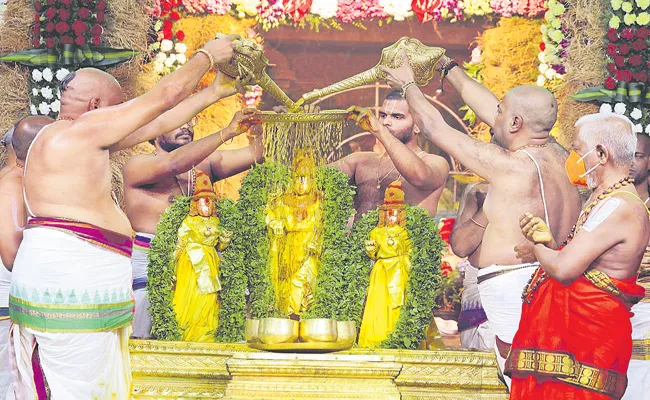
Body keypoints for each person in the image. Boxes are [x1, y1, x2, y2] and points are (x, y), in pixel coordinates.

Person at [8, 35, 238, 399]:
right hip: (71, 285)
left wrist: (214, 93)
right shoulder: (80, 132)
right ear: (97, 106)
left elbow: (155, 124)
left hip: (70, 282)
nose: (122, 117)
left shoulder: (67, 135)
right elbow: (162, 98)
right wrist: (208, 56)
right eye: (118, 109)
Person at [380, 52, 582, 386]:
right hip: (548, 281)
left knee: (526, 385)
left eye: (500, 114)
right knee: (544, 380)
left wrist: (408, 84)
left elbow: (433, 126)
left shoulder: (508, 164)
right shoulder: (559, 156)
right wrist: (448, 68)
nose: (493, 117)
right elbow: (497, 110)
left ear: (515, 124)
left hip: (514, 289)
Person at [508, 113, 649, 399]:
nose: (571, 159)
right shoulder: (608, 197)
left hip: (587, 341)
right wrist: (548, 242)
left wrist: (536, 246)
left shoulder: (619, 205)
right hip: (579, 339)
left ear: (600, 153)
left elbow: (564, 269)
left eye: (576, 149)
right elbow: (578, 255)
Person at [123, 72, 261, 339]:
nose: (186, 126)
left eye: (190, 120)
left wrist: (263, 125)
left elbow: (257, 154)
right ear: (153, 130)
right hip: (154, 271)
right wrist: (227, 132)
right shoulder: (137, 166)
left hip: (203, 270)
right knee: (148, 349)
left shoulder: (204, 165)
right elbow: (173, 164)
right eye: (177, 121)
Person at [332, 91, 449, 220]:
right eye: (382, 115)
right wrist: (308, 121)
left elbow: (420, 177)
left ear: (417, 126)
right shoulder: (360, 161)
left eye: (397, 117)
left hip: (406, 240)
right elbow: (312, 179)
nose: (385, 122)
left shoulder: (436, 162)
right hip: (358, 240)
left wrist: (379, 130)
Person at [173, 170, 232, 342]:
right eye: (202, 202)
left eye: (210, 203)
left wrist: (225, 239)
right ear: (194, 204)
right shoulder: (188, 222)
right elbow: (179, 244)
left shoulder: (217, 222)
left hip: (211, 263)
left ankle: (206, 335)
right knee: (191, 296)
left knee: (209, 298)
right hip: (189, 264)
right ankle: (187, 333)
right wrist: (171, 267)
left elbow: (220, 247)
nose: (206, 206)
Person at [359, 180, 411, 348]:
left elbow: (410, 252)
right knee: (378, 306)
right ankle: (375, 340)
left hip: (398, 272)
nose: (391, 216)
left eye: (394, 212)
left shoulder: (405, 232)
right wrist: (370, 250)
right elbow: (373, 254)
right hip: (380, 273)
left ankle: (397, 338)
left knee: (397, 307)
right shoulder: (376, 231)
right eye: (388, 212)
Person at [449, 181, 495, 350]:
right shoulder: (477, 190)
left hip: (516, 285)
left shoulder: (534, 185)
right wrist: (495, 199)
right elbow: (461, 246)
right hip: (477, 285)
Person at [624, 132, 650, 400]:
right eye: (627, 153)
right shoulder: (604, 201)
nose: (631, 162)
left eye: (638, 155)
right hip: (612, 311)